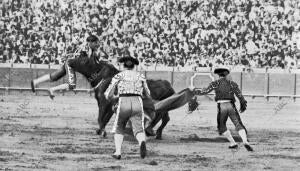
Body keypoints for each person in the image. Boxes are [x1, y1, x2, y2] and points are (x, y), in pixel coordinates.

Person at [191, 66, 254, 151]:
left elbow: (204, 92)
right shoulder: (232, 83)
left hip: (222, 106)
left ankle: (233, 143)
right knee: (238, 124)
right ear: (226, 75)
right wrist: (242, 103)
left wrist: (193, 91)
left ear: (218, 75)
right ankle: (245, 141)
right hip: (231, 106)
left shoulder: (215, 83)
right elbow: (240, 96)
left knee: (221, 126)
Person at [104, 55, 150, 159]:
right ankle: (142, 142)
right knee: (139, 128)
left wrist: (113, 97)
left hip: (123, 101)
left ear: (123, 66)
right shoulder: (141, 76)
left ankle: (118, 152)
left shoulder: (118, 76)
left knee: (119, 127)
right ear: (134, 66)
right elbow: (148, 93)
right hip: (137, 102)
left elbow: (108, 94)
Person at [30, 35, 101, 99]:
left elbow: (79, 56)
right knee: (71, 85)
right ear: (91, 42)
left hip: (70, 62)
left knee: (54, 77)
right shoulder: (89, 49)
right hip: (71, 64)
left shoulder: (85, 46)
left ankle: (35, 82)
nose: (96, 45)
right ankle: (52, 89)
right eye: (95, 43)